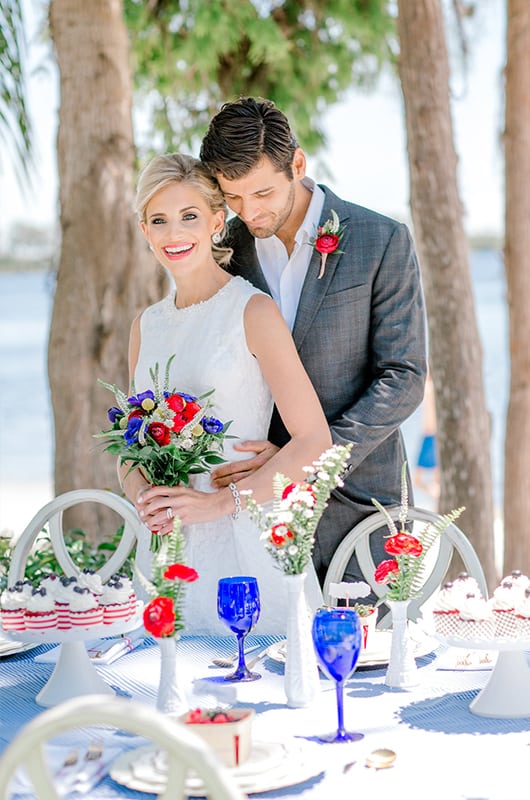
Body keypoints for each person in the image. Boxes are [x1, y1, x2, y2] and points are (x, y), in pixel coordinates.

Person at [200, 97, 427, 587]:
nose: (249, 212)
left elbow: (404, 377)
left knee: (373, 658)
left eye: (262, 192)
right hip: (260, 514)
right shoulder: (225, 254)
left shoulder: (382, 239)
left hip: (363, 504)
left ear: (297, 164)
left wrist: (309, 463)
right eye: (232, 198)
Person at [120, 153, 330, 635]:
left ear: (217, 221)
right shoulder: (145, 326)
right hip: (168, 546)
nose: (175, 234)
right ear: (144, 229)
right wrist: (144, 497)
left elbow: (314, 441)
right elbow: (130, 450)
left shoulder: (253, 311)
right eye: (159, 220)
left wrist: (219, 503)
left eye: (189, 216)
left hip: (246, 538)